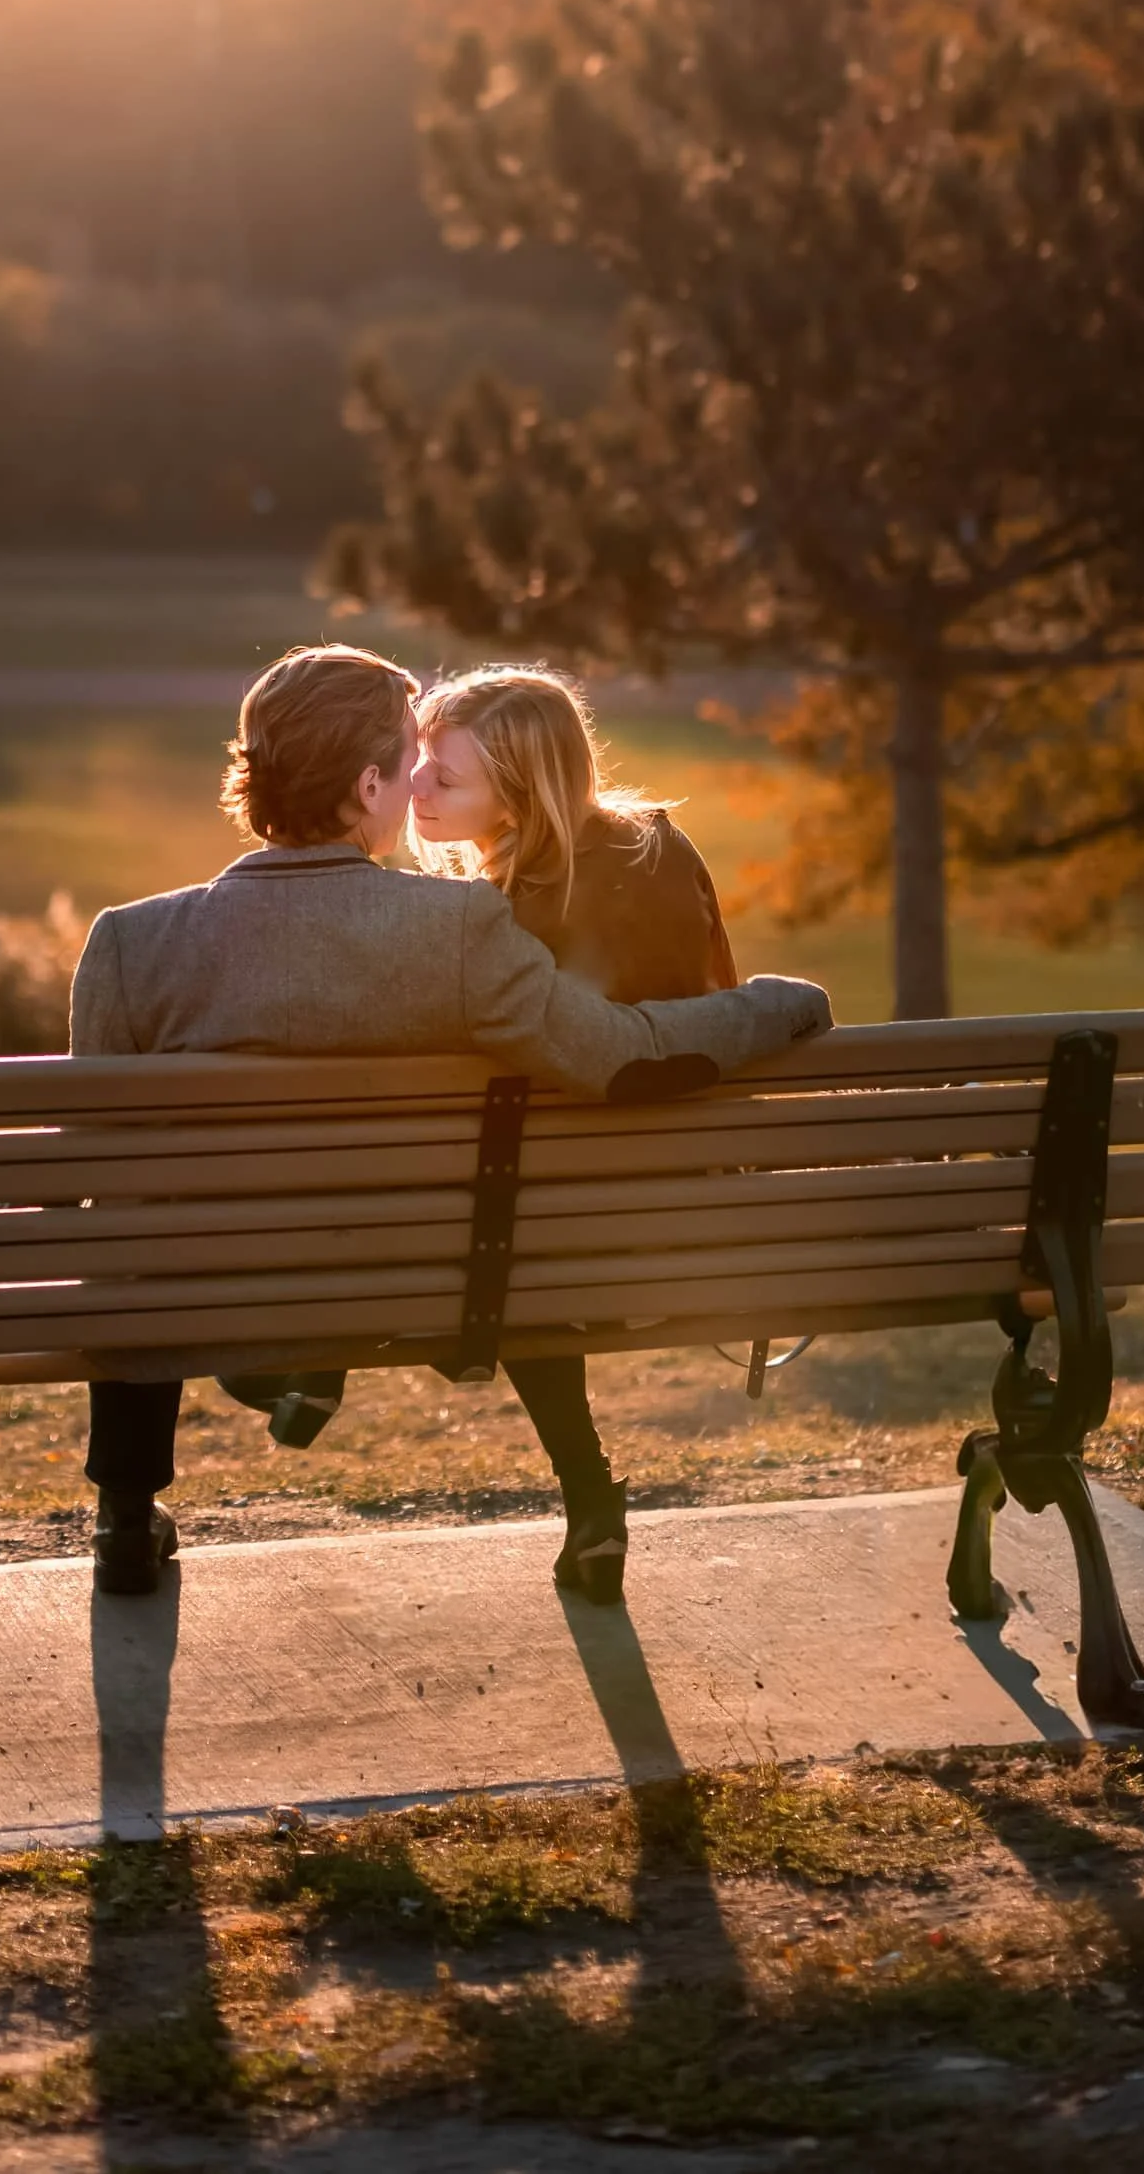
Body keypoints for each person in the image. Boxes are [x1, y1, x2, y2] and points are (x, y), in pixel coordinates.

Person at [71, 641, 831, 1598]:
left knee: (137, 1235)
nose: (418, 783)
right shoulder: (457, 929)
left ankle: (125, 1517)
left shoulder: (129, 942)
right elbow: (617, 1055)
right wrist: (779, 1004)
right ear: (369, 783)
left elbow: (98, 1172)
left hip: (206, 1295)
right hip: (420, 1287)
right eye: (407, 759)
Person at [408, 665, 740, 1599]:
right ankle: (589, 1501)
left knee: (508, 1231)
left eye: (445, 775)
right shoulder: (663, 851)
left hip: (544, 1248)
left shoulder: (504, 910)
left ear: (519, 795)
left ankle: (589, 1489)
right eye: (421, 763)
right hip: (690, 1207)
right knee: (531, 1213)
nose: (416, 787)